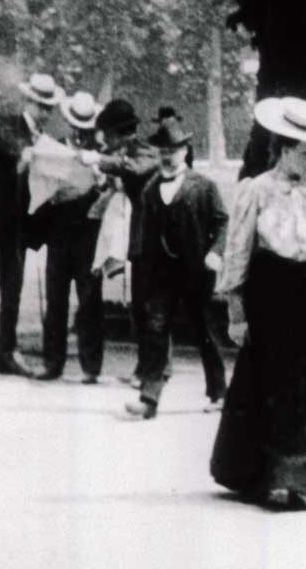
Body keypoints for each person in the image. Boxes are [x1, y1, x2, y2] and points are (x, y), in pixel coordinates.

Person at [210, 97, 306, 511]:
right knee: (268, 381)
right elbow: (237, 251)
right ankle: (263, 475)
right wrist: (236, 313)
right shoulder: (257, 189)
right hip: (269, 289)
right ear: (285, 147)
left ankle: (300, 480)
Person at [0, 73, 63, 377]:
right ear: (28, 101)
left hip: (16, 224)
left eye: (49, 108)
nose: (45, 113)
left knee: (13, 289)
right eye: (41, 106)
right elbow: (7, 142)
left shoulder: (44, 140)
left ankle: (5, 355)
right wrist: (25, 152)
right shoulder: (8, 123)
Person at [124, 115, 227, 419]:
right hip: (162, 275)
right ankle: (149, 399)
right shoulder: (150, 189)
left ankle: (219, 392)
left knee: (205, 331)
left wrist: (216, 253)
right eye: (163, 151)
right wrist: (141, 268)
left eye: (174, 150)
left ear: (185, 150)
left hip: (196, 271)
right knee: (156, 331)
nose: (168, 156)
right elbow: (143, 233)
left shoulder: (204, 186)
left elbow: (222, 222)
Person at [79, 99, 159, 387]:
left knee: (148, 304)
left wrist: (100, 160)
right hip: (131, 233)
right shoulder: (118, 153)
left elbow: (135, 169)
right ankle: (146, 367)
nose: (106, 143)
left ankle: (155, 368)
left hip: (150, 236)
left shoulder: (146, 151)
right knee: (140, 304)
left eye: (108, 137)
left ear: (117, 134)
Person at [34, 92, 106, 382]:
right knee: (55, 297)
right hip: (60, 227)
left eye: (85, 126)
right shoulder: (56, 149)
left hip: (88, 228)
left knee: (90, 298)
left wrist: (99, 174)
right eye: (76, 125)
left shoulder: (99, 154)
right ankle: (53, 363)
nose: (80, 131)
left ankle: (91, 366)